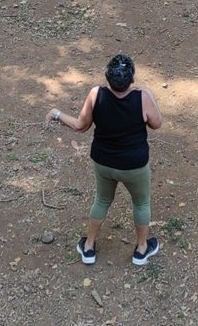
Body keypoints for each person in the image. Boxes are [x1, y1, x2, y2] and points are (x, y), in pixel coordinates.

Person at [45, 55, 163, 266]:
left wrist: (57, 114)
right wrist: (148, 94)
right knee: (142, 203)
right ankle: (142, 250)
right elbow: (157, 123)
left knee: (102, 200)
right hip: (134, 165)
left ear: (108, 78)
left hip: (104, 162)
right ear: (132, 78)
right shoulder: (142, 97)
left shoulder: (95, 94)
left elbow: (80, 125)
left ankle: (89, 247)